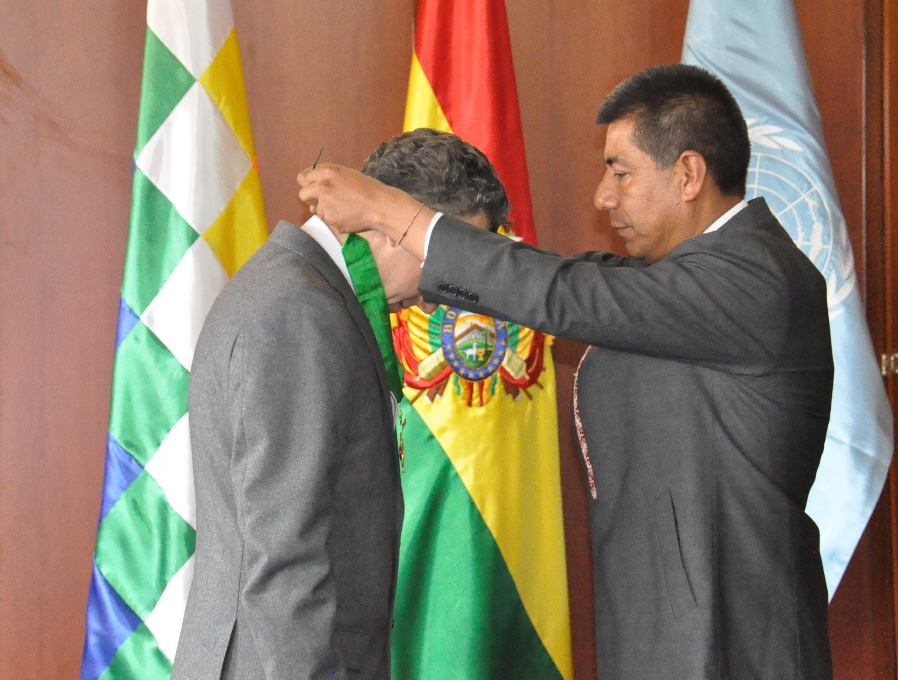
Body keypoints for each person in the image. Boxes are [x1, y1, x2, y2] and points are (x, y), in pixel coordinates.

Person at [299, 63, 835, 679]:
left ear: (688, 174)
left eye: (621, 172)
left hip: (731, 640)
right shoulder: (678, 273)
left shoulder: (756, 278)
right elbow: (561, 278)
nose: (604, 196)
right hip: (672, 629)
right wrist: (423, 265)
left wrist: (398, 215)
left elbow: (569, 295)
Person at [172, 190, 423, 678]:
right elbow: (285, 556)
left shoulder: (292, 287)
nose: (436, 296)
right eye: (441, 255)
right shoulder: (300, 309)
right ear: (396, 228)